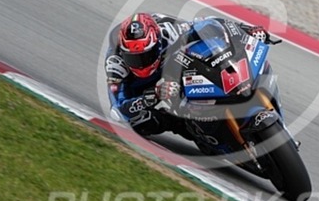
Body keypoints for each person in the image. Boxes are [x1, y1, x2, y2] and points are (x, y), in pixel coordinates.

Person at [104, 12, 270, 138]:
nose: (141, 63)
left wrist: (245, 29)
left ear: (157, 42)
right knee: (141, 123)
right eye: (134, 58)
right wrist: (152, 96)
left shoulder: (170, 30)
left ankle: (225, 93)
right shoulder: (116, 64)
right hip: (143, 89)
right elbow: (118, 111)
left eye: (146, 56)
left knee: (203, 53)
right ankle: (191, 129)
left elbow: (209, 24)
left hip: (170, 68)